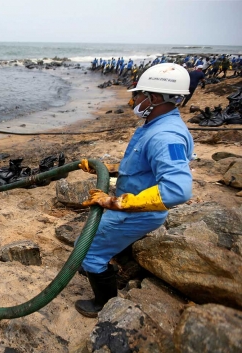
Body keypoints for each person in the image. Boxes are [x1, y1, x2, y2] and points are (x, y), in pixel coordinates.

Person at [74, 63, 193, 318]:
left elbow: (178, 190)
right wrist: (107, 169)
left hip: (136, 213)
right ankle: (109, 264)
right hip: (133, 207)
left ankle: (103, 305)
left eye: (138, 94)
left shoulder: (166, 136)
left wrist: (115, 203)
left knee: (88, 251)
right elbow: (141, 166)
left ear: (156, 98)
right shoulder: (154, 124)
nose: (133, 100)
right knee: (93, 243)